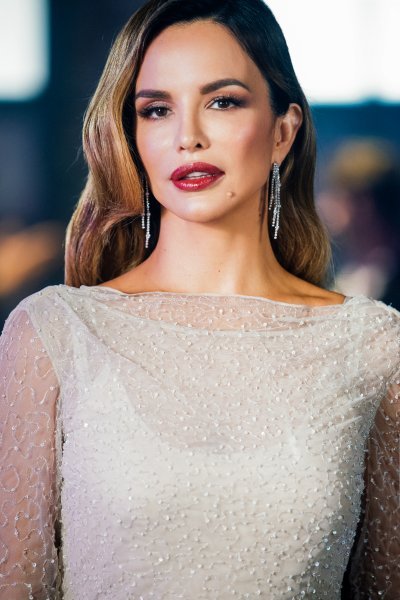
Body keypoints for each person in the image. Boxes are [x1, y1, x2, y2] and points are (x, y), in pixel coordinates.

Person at [0, 0, 398, 598]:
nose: (188, 136)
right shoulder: (54, 333)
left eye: (222, 101)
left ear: (283, 131)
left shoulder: (372, 348)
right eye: (156, 110)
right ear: (132, 136)